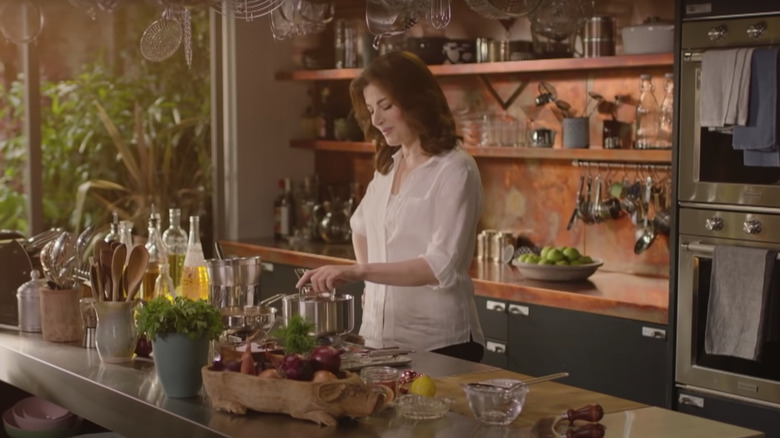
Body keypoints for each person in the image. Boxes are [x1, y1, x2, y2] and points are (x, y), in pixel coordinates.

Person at [295, 51, 485, 363]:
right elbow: (360, 228)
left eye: (386, 106)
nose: (376, 120)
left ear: (418, 101)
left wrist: (361, 271)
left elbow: (439, 267)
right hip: (378, 341)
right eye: (371, 110)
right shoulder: (388, 167)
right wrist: (372, 285)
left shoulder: (455, 169)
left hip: (439, 343)